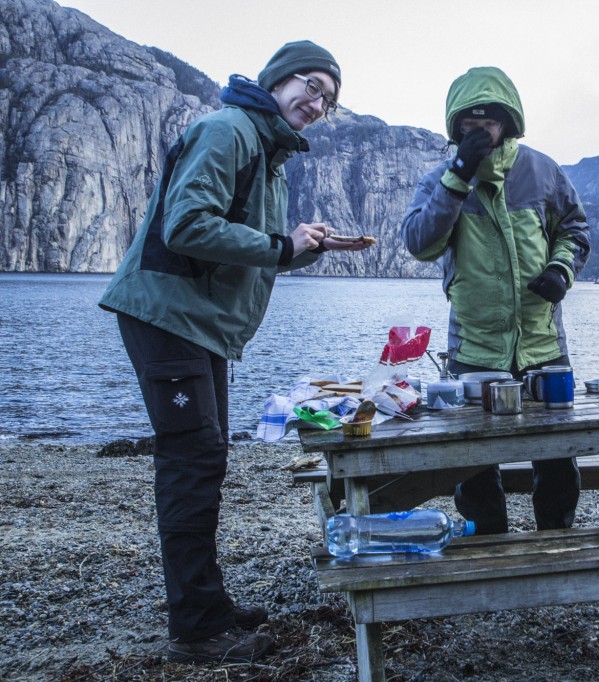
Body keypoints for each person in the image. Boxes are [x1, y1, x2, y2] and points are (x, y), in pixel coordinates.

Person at [99, 40, 370, 664]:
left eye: (328, 99)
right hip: (168, 314)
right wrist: (282, 244)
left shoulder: (265, 151)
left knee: (206, 459)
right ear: (277, 81)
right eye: (309, 84)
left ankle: (207, 605)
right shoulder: (228, 131)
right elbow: (186, 225)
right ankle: (195, 630)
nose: (316, 101)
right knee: (191, 463)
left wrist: (306, 245)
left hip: (198, 322)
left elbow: (247, 240)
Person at [401, 66, 591, 535]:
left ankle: (556, 536)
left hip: (543, 343)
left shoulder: (542, 170)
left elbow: (575, 228)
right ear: (456, 129)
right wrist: (458, 175)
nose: (479, 134)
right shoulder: (440, 180)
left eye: (487, 125)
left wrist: (560, 271)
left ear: (506, 122)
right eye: (469, 127)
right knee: (473, 459)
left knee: (557, 454)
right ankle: (488, 542)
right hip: (474, 345)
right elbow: (419, 243)